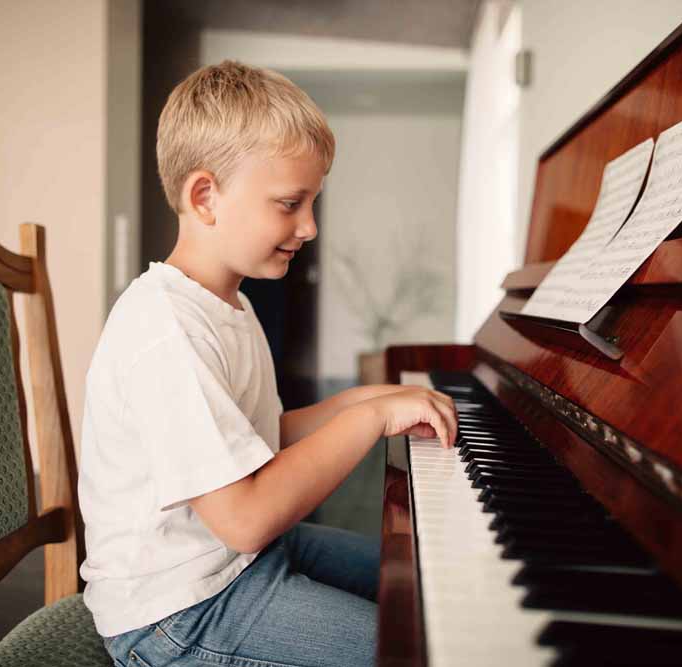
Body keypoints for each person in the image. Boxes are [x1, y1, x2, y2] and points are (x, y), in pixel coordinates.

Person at [78, 60, 458, 667]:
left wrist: (370, 399)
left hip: (238, 564)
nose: (308, 226)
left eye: (312, 203)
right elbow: (246, 517)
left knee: (425, 585)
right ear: (205, 196)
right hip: (178, 612)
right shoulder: (164, 326)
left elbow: (257, 439)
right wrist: (368, 422)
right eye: (289, 204)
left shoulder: (232, 304)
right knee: (411, 652)